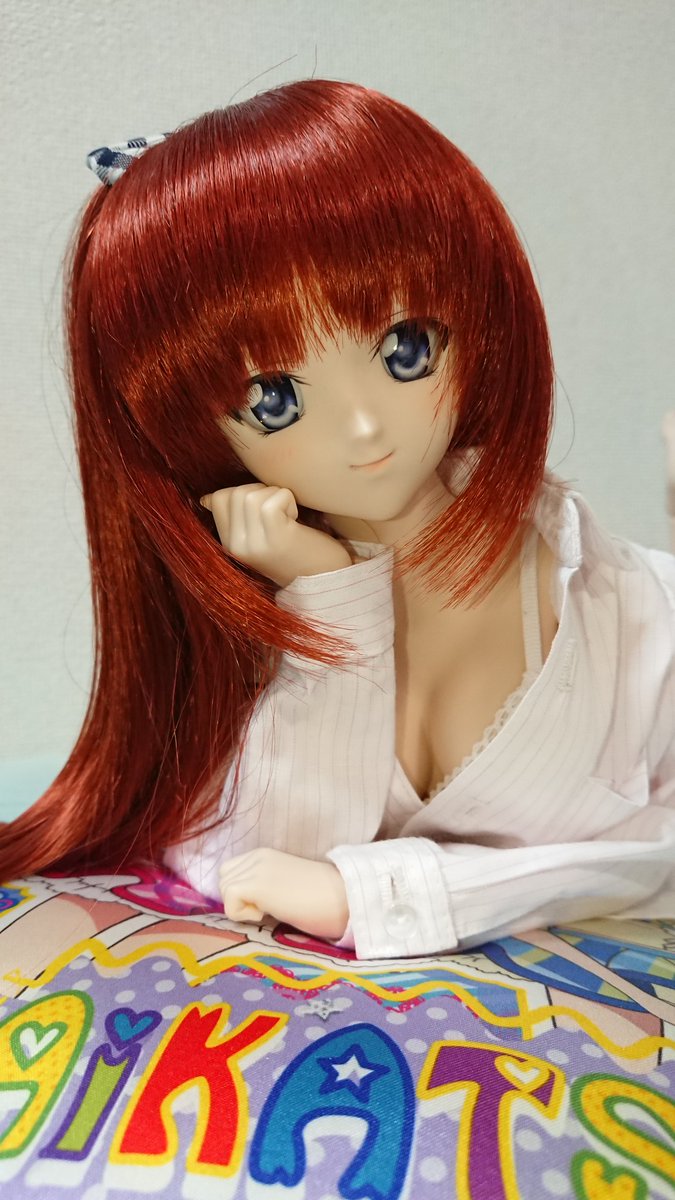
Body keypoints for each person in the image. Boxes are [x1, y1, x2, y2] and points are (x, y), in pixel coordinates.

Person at [1, 80, 673, 958]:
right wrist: (331, 601)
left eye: (406, 350)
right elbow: (250, 860)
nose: (363, 430)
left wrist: (390, 894)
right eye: (273, 400)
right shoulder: (260, 597)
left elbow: (653, 858)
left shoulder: (625, 607)